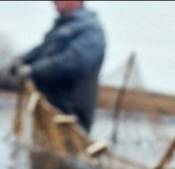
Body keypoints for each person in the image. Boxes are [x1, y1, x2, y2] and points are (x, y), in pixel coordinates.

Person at [12, 1, 106, 133]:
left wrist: (33, 70)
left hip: (70, 114)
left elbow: (74, 62)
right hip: (49, 109)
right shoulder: (61, 27)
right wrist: (21, 60)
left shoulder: (90, 29)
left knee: (67, 152)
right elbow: (42, 50)